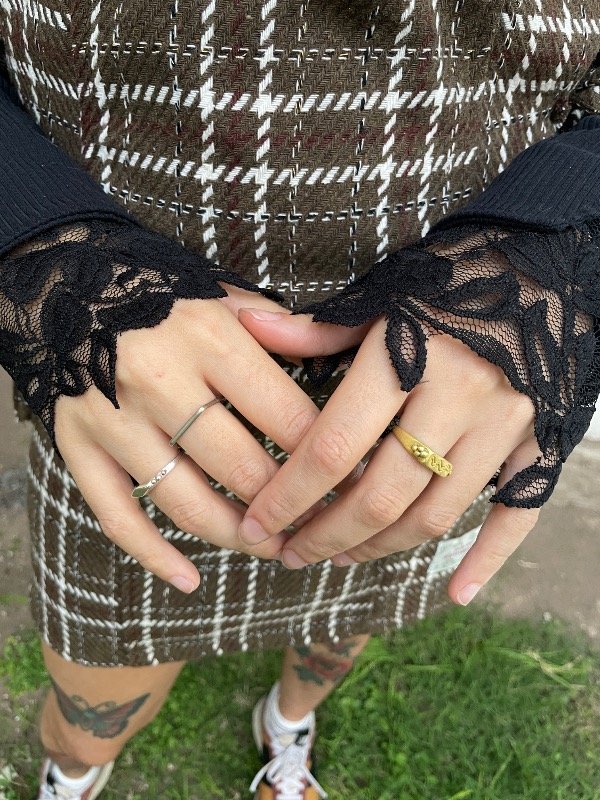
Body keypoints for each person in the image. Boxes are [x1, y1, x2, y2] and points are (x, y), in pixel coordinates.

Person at [0, 3, 598, 798]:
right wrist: (39, 236)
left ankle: (287, 724)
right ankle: (73, 768)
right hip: (123, 392)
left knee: (344, 618)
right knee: (90, 714)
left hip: (445, 392)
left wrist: (555, 254)